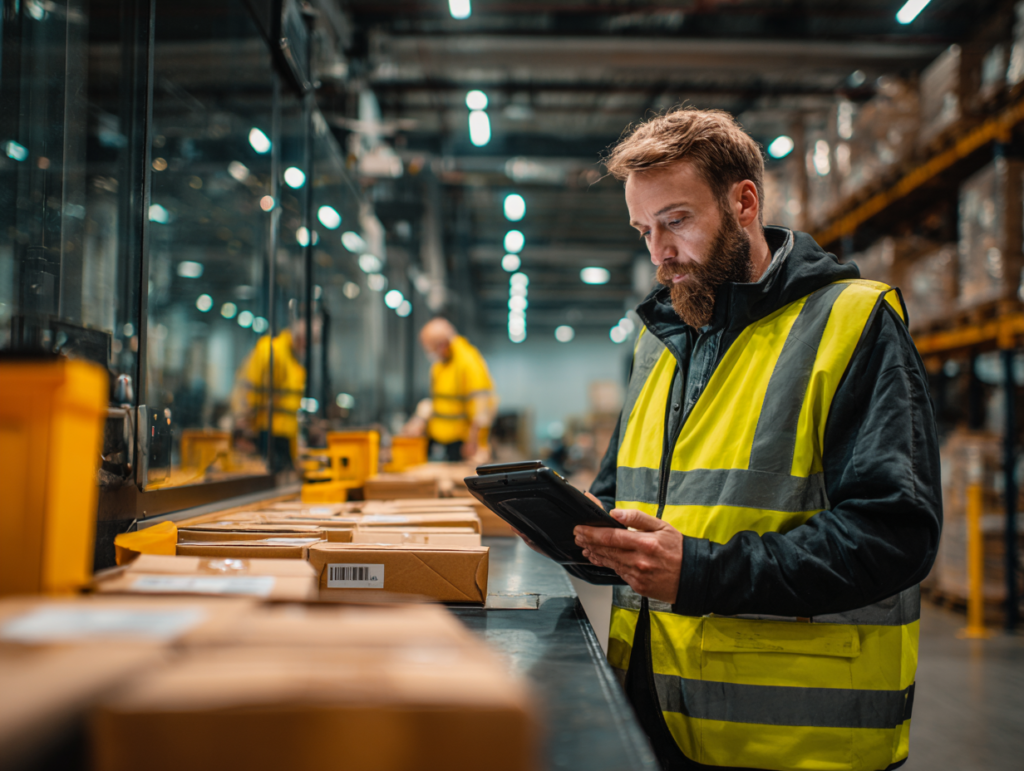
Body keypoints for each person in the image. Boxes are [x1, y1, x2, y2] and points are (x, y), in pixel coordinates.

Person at [521, 108, 942, 771]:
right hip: (657, 708)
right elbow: (619, 505)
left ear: (744, 201)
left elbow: (894, 535)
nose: (660, 251)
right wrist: (570, 530)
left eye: (677, 221)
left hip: (791, 735)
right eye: (645, 230)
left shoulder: (853, 323)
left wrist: (701, 571)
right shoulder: (660, 345)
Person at [404, 317, 496, 462]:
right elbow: (440, 401)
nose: (430, 353)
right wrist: (419, 420)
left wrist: (473, 441)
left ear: (442, 345)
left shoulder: (469, 363)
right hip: (440, 440)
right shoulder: (440, 365)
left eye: (430, 348)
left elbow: (481, 408)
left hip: (462, 445)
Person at [232, 317, 314, 472]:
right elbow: (248, 386)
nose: (309, 347)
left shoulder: (292, 359)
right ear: (301, 338)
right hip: (266, 433)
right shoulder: (272, 351)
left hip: (283, 436)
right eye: (309, 342)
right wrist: (242, 420)